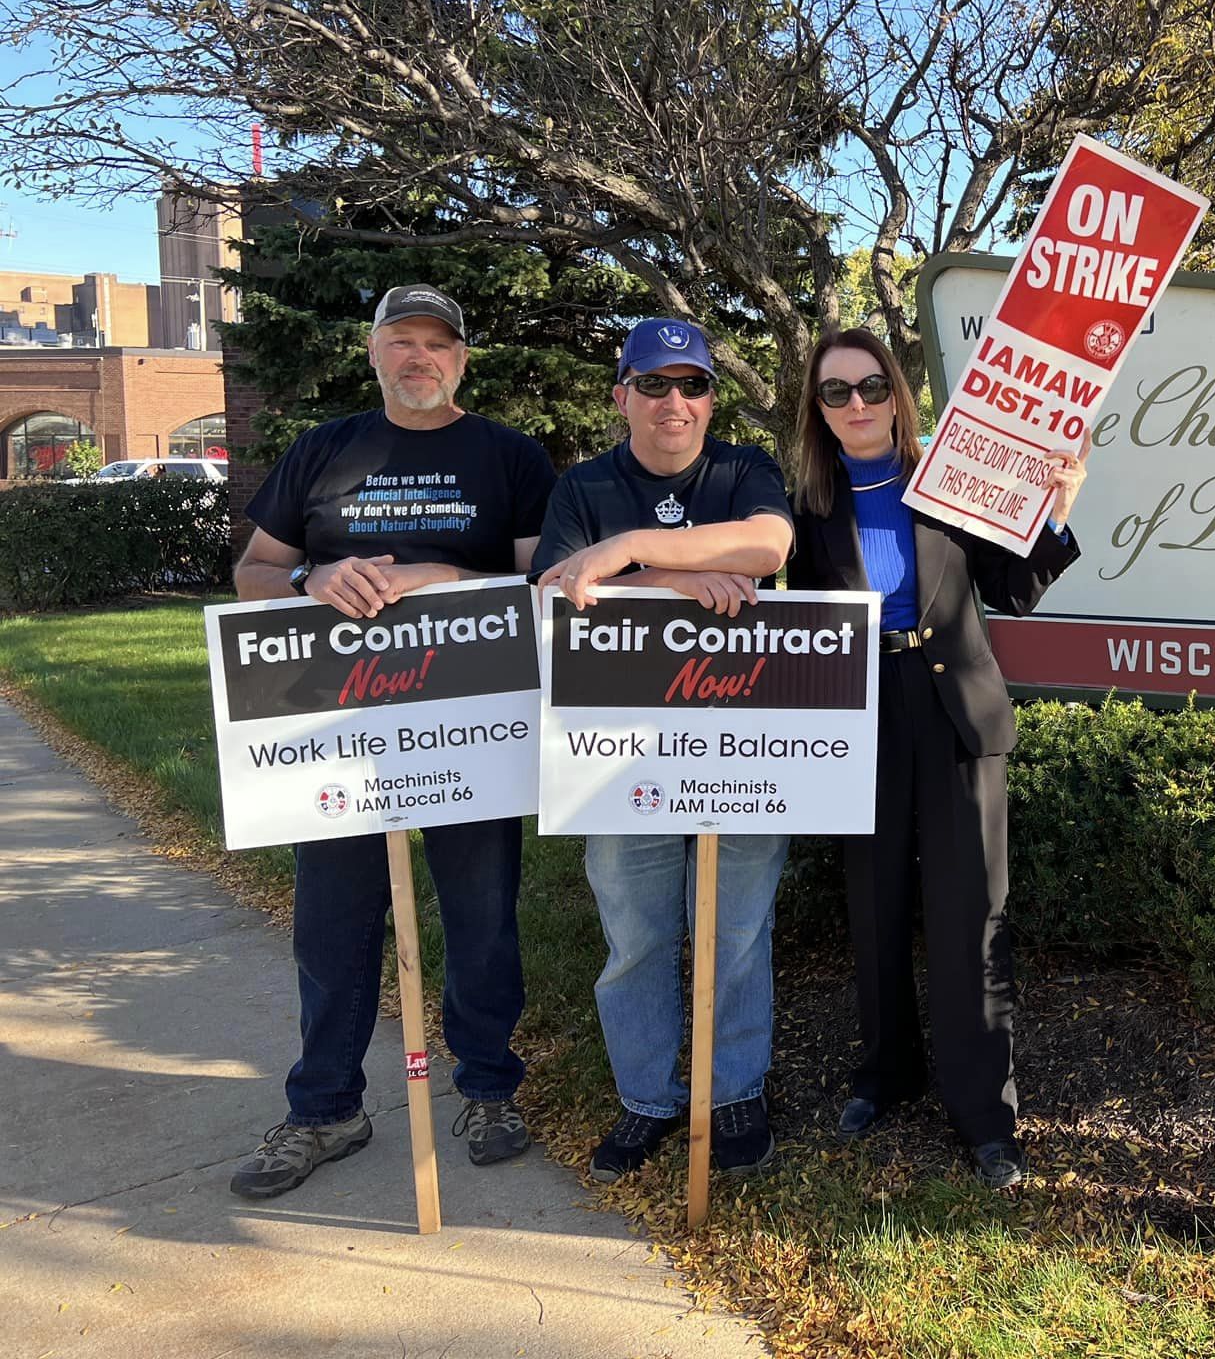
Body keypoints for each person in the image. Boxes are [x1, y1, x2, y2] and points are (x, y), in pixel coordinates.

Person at [230, 283, 557, 1198]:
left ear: (462, 358)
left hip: (469, 722)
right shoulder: (322, 451)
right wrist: (310, 575)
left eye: (437, 343)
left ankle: (489, 1089)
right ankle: (327, 1106)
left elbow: (544, 579)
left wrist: (448, 572)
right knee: (332, 920)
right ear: (372, 352)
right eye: (401, 340)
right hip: (336, 724)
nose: (420, 357)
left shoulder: (509, 455)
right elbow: (253, 570)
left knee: (481, 916)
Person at [784, 328, 1086, 1189]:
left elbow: (1014, 590)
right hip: (858, 712)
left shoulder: (950, 480)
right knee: (873, 904)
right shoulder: (800, 506)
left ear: (899, 394)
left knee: (970, 913)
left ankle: (985, 1112)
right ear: (816, 407)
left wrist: (1055, 509)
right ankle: (886, 1074)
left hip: (954, 708)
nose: (857, 406)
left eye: (872, 387)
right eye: (835, 392)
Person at [532, 317, 795, 1180]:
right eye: (653, 384)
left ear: (712, 398)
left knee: (739, 930)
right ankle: (647, 1097)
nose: (673, 402)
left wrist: (632, 552)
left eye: (692, 385)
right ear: (623, 397)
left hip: (740, 740)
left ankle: (733, 1093)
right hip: (617, 752)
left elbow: (769, 546)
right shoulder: (583, 484)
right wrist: (680, 581)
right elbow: (557, 588)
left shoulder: (745, 469)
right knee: (638, 935)